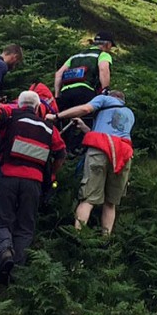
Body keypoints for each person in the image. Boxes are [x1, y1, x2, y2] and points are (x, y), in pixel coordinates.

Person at [0, 90, 66, 285]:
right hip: (33, 183)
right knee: (25, 228)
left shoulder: (10, 117)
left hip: (7, 176)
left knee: (3, 221)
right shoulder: (49, 128)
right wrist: (51, 175)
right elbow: (61, 154)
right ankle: (16, 274)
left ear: (19, 105)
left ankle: (5, 252)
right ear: (37, 108)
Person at [53, 90, 134, 235]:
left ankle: (77, 236)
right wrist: (85, 128)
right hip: (122, 156)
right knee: (110, 203)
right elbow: (111, 134)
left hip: (100, 152)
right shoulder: (129, 113)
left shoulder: (104, 99)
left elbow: (85, 109)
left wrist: (56, 116)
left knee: (88, 199)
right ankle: (105, 239)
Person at [53, 31, 116, 152]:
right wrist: (105, 89)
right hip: (85, 91)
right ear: (107, 44)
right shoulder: (102, 54)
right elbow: (103, 69)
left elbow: (58, 74)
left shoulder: (75, 56)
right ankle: (81, 150)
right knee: (88, 121)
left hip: (66, 92)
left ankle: (63, 150)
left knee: (65, 121)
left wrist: (57, 95)